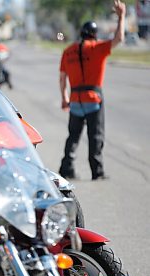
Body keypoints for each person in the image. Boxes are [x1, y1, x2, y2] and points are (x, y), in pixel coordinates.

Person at [58, 0, 125, 181]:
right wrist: (121, 16)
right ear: (94, 35)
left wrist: (64, 98)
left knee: (73, 136)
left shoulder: (68, 51)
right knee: (95, 137)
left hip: (75, 100)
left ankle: (66, 168)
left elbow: (62, 78)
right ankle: (97, 172)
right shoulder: (97, 48)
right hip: (93, 100)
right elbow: (119, 39)